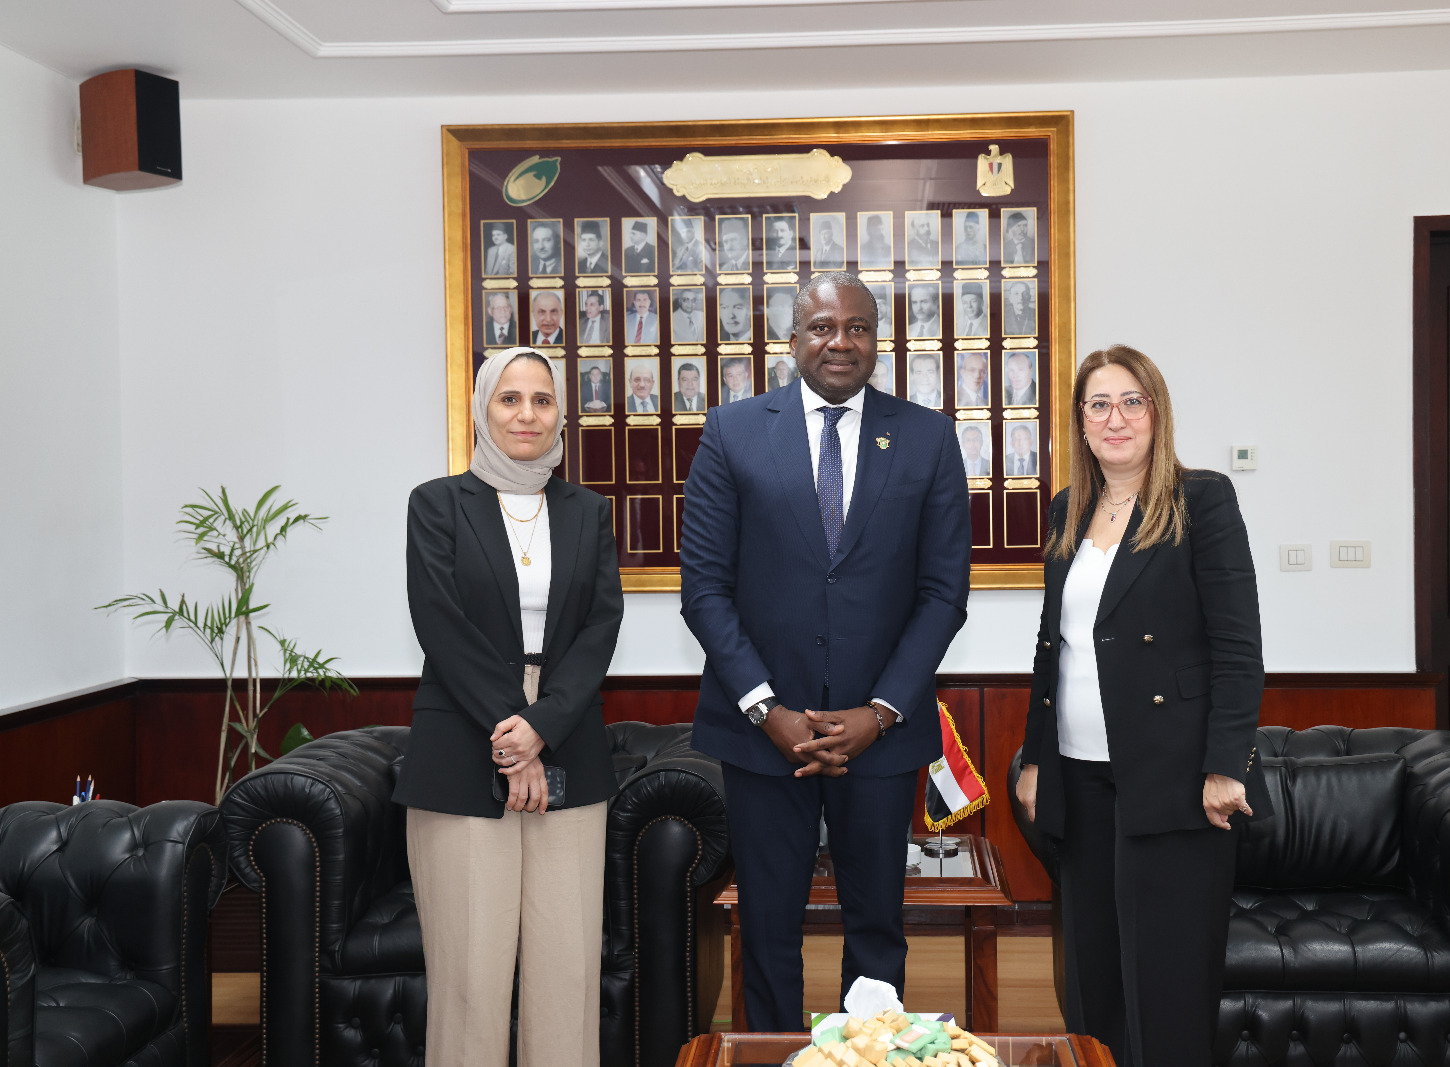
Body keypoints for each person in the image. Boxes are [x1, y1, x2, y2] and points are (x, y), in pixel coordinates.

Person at [679, 271, 971, 1032]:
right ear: (794, 339)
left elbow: (944, 594)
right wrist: (766, 709)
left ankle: (867, 1051)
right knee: (767, 925)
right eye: (822, 327)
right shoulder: (733, 430)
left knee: (877, 928)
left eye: (857, 327)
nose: (840, 341)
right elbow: (704, 589)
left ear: (877, 340)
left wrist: (881, 710)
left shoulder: (927, 436)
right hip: (761, 734)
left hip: (881, 734)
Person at [1014, 344, 1269, 1067]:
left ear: (1157, 413)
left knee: (1167, 985)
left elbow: (1238, 645)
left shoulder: (1201, 500)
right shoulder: (1068, 510)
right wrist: (1035, 759)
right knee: (1093, 978)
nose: (1116, 418)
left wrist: (1226, 765)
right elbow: (1052, 647)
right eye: (1099, 404)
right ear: (1081, 421)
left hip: (1174, 777)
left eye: (1132, 401)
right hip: (1079, 776)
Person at [398, 346, 623, 1067]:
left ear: (561, 415)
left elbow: (601, 626)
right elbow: (440, 622)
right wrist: (514, 732)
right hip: (462, 738)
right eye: (510, 398)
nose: (527, 414)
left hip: (568, 736)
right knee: (470, 975)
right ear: (482, 410)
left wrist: (542, 725)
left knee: (567, 969)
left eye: (542, 400)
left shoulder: (589, 511)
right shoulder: (436, 504)